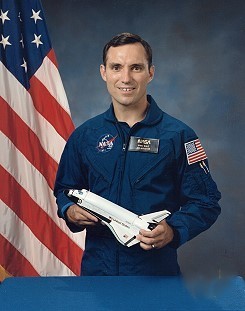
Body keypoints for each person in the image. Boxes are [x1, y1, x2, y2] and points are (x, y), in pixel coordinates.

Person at [54, 33, 221, 276]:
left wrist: (173, 230)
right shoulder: (85, 136)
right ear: (104, 72)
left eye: (136, 68)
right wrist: (69, 209)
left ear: (150, 73)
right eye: (116, 67)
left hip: (155, 275)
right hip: (98, 275)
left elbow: (206, 202)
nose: (126, 78)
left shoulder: (178, 136)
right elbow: (65, 189)